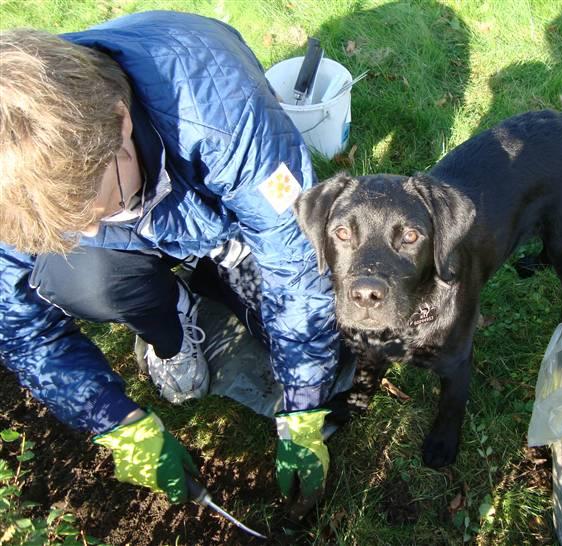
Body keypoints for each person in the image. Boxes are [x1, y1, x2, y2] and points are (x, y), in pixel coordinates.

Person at [0, 10, 340, 505]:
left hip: (208, 201)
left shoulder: (223, 115)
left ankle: (228, 245)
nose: (93, 233)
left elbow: (298, 259)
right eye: (72, 227)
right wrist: (115, 422)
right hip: (152, 207)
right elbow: (21, 329)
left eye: (102, 207)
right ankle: (171, 322)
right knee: (82, 275)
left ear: (119, 121)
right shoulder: (14, 189)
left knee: (316, 333)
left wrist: (304, 408)